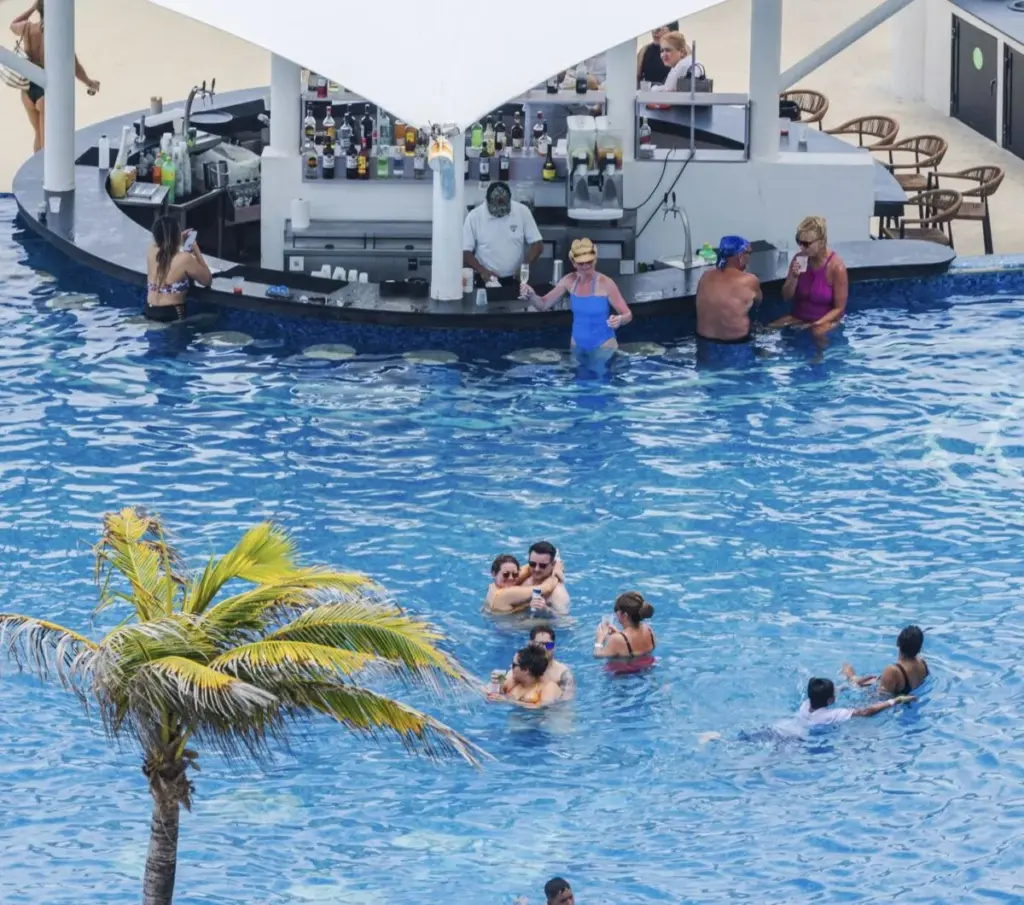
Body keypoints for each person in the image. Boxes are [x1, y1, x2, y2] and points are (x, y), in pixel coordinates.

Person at [10, 1, 100, 153]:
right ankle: (44, 175)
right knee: (47, 142)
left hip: (27, 89)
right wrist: (90, 83)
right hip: (45, 92)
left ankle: (36, 172)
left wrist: (32, 8)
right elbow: (74, 66)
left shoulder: (27, 28)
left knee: (39, 135)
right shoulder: (56, 35)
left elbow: (13, 24)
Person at [521, 238, 632, 360]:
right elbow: (543, 305)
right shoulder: (568, 281)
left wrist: (620, 320)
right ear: (573, 263)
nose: (585, 266)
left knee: (598, 378)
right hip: (577, 346)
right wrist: (531, 295)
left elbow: (627, 314)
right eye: (581, 263)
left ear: (595, 260)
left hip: (603, 345)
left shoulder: (606, 283)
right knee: (576, 378)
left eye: (589, 261)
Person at [771, 215, 849, 337]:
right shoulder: (800, 258)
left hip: (825, 320)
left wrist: (815, 324)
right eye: (799, 242)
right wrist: (794, 278)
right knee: (768, 329)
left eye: (806, 244)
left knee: (817, 332)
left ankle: (820, 356)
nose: (801, 247)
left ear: (821, 242)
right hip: (799, 317)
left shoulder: (836, 267)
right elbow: (786, 297)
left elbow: (839, 310)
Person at [463, 182, 543, 286]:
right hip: (485, 279)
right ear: (487, 202)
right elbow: (465, 252)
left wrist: (525, 265)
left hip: (515, 279)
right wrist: (482, 270)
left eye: (504, 211)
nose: (500, 215)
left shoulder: (522, 211)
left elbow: (538, 244)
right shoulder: (474, 217)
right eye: (496, 211)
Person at [695, 235, 762, 350]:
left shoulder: (705, 276)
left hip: (703, 343)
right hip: (736, 345)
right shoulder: (750, 280)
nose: (749, 258)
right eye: (748, 253)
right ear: (740, 256)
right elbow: (758, 305)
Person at [145, 216, 212, 322]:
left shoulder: (151, 251)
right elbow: (207, 280)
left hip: (149, 310)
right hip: (171, 314)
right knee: (212, 317)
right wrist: (195, 248)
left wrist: (176, 237)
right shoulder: (185, 258)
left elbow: (166, 248)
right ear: (176, 236)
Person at [841, 625, 929, 696]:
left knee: (847, 673)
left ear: (898, 642)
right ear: (919, 648)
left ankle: (851, 679)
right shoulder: (923, 664)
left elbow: (879, 699)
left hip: (892, 702)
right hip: (902, 692)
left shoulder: (893, 670)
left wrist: (857, 687)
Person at [797, 677, 914, 726]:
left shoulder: (806, 703)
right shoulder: (832, 715)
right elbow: (866, 712)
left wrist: (854, 684)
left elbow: (828, 692)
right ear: (830, 700)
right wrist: (895, 700)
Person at [502, 624, 575, 699]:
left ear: (554, 646)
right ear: (530, 644)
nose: (544, 648)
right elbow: (500, 689)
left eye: (548, 645)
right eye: (539, 644)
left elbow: (566, 703)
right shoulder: (520, 668)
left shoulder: (562, 674)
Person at [492, 645, 561, 708]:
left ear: (526, 670)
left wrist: (508, 701)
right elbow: (491, 693)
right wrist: (497, 685)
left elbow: (541, 708)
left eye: (514, 665)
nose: (510, 666)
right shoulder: (513, 678)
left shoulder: (549, 688)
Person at [594, 591, 656, 659]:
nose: (615, 613)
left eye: (616, 609)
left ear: (625, 615)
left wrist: (599, 640)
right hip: (648, 667)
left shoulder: (616, 639)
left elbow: (598, 656)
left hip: (626, 669)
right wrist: (619, 634)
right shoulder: (649, 630)